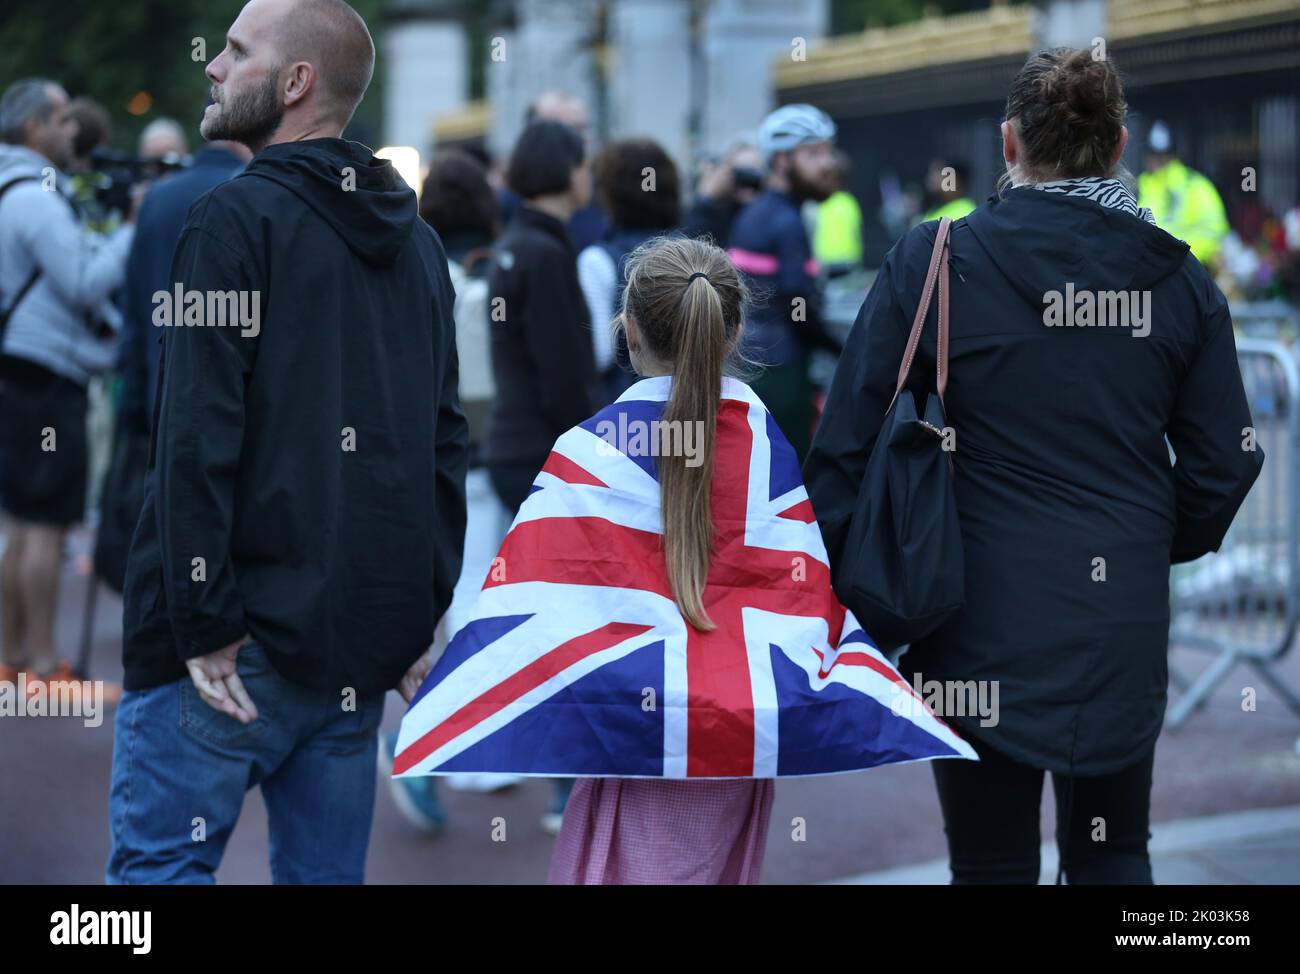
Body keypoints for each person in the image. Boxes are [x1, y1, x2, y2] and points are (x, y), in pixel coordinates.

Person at [805, 48, 1263, 884]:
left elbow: (842, 448)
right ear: (1118, 145)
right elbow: (1224, 465)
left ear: (1009, 144)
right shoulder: (1177, 279)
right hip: (1117, 616)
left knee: (989, 860)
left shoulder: (934, 260)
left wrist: (858, 596)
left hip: (966, 610)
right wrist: (1144, 539)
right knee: (1115, 851)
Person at [106, 0, 468, 884]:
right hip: (354, 640)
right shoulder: (417, 244)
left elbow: (192, 433)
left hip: (229, 643)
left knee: (154, 884)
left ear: (296, 82)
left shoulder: (229, 222)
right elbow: (438, 442)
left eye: (236, 51)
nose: (214, 67)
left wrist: (200, 622)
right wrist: (417, 613)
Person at [0, 78, 134, 692]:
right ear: (33, 129)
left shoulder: (11, 187)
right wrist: (137, 226)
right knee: (47, 523)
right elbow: (82, 279)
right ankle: (46, 664)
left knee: (23, 522)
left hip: (20, 372)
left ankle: (13, 659)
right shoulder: (33, 196)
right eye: (58, 119)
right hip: (47, 376)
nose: (69, 129)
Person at [485, 118, 599, 832]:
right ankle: (565, 784)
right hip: (544, 456)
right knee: (569, 623)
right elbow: (565, 376)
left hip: (512, 447)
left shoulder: (512, 248)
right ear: (567, 172)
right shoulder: (548, 254)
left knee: (546, 617)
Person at [727, 104, 843, 460]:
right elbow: (797, 305)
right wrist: (842, 348)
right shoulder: (788, 222)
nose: (827, 163)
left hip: (749, 365)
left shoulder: (753, 211)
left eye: (828, 151)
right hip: (783, 373)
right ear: (780, 162)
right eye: (813, 153)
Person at [578, 137, 680, 405]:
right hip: (695, 400)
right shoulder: (696, 252)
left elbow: (599, 354)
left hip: (628, 413)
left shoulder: (597, 259)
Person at [1138, 121, 1229, 269]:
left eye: (1162, 156)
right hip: (1157, 269)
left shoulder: (1195, 185)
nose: (1157, 161)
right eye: (1153, 155)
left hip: (1187, 269)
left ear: (1173, 155)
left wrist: (1180, 255)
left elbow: (1213, 230)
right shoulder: (1140, 186)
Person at [812, 149, 864, 271]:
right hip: (848, 263)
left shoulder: (816, 203)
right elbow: (857, 234)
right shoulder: (849, 202)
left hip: (826, 265)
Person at [919, 158, 976, 223]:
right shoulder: (935, 208)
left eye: (940, 172)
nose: (932, 177)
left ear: (956, 180)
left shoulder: (965, 212)